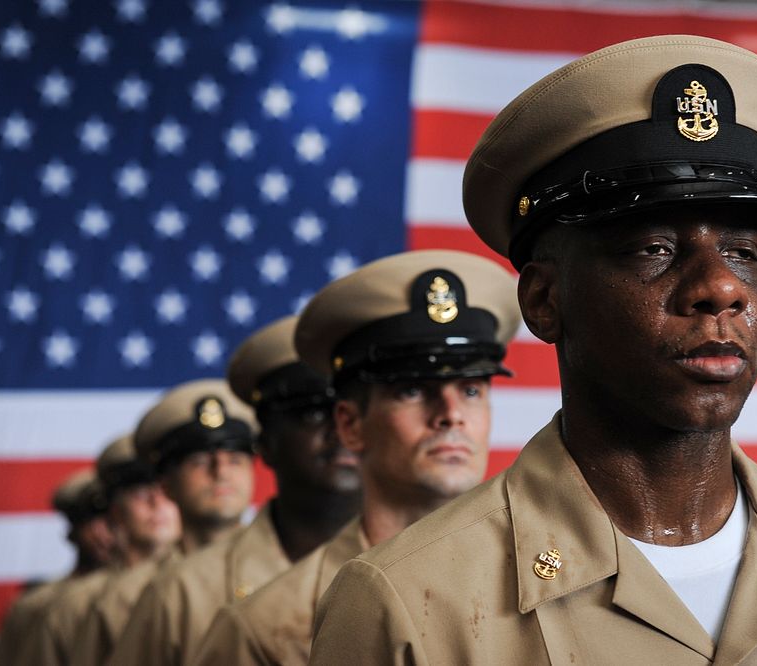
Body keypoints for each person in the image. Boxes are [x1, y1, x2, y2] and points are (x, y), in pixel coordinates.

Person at [309, 35, 757, 664]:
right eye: (654, 249)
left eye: (744, 252)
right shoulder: (411, 605)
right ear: (545, 300)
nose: (720, 287)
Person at [192, 250, 520, 665]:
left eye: (471, 390)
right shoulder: (264, 630)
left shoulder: (550, 579)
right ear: (350, 425)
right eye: (412, 390)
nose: (451, 414)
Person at [113, 316, 363, 666]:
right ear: (266, 445)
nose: (339, 429)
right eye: (311, 414)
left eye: (351, 411)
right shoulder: (178, 594)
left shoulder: (420, 567)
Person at [110, 378, 257, 664]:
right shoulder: (130, 596)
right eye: (200, 461)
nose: (221, 472)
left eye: (236, 459)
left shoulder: (297, 568)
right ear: (166, 485)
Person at [69, 435, 181, 666]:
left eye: (164, 490)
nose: (156, 502)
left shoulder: (199, 580)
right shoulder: (87, 604)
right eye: (140, 493)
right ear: (116, 511)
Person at [0, 468, 113, 666]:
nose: (102, 533)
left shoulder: (139, 593)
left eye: (110, 520)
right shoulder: (35, 606)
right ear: (71, 533)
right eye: (89, 522)